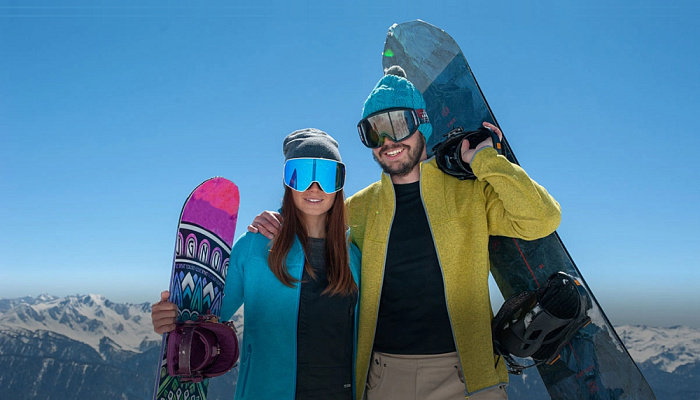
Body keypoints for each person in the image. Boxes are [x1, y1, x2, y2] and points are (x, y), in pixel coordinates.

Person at [249, 68, 561, 400]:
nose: (387, 142)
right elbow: (308, 230)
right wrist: (276, 222)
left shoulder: (468, 194)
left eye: (397, 125)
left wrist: (485, 159)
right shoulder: (361, 207)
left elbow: (541, 219)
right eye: (373, 132)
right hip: (385, 378)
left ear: (421, 123)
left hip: (467, 378)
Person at [152, 128, 361, 400]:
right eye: (300, 174)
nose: (314, 187)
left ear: (339, 183)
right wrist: (170, 318)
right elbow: (206, 317)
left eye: (327, 175)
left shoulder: (352, 256)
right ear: (287, 181)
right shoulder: (256, 245)